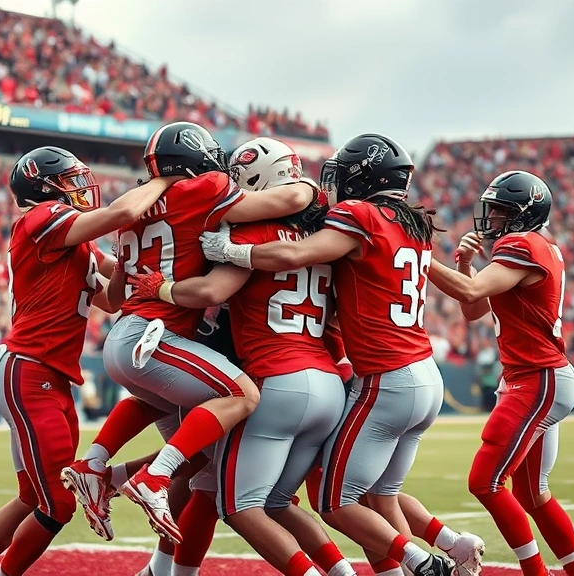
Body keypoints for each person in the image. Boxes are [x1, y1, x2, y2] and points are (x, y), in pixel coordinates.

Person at [201, 134, 478, 576]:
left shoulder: (357, 215)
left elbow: (293, 253)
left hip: (379, 377)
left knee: (332, 502)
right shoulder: (413, 225)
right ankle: (425, 556)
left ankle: (423, 562)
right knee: (378, 496)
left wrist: (234, 251)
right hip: (420, 374)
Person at [61, 122, 318, 546]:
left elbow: (115, 293)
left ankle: (98, 467)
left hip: (128, 336)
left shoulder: (138, 210)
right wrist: (309, 188)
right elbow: (286, 199)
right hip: (157, 336)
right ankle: (151, 479)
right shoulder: (202, 189)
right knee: (242, 396)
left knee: (199, 450)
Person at [0, 146, 176, 576]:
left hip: (48, 374)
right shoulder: (37, 218)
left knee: (33, 497)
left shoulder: (75, 242)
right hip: (29, 370)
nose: (80, 188)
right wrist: (165, 181)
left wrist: (126, 262)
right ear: (43, 186)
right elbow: (119, 214)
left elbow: (112, 299)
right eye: (70, 180)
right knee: (59, 503)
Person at [128, 137, 356, 576]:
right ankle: (360, 568)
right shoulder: (325, 238)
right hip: (327, 380)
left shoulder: (250, 232)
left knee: (238, 504)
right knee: (268, 501)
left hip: (274, 379)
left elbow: (212, 291)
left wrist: (160, 288)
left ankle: (124, 483)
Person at [428, 170, 574, 576]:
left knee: (485, 481)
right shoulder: (535, 247)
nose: (493, 218)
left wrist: (417, 258)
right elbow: (474, 308)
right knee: (532, 495)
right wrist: (466, 265)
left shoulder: (523, 244)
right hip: (538, 376)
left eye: (501, 210)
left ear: (523, 213)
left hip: (536, 378)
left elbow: (469, 294)